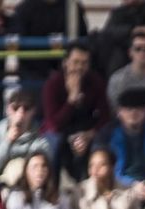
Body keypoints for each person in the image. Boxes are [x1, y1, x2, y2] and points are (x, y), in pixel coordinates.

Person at [40, 42, 108, 181]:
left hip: (85, 129)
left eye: (84, 63)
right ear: (66, 63)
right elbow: (53, 124)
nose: (79, 67)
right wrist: (71, 100)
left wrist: (89, 135)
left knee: (103, 142)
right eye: (75, 62)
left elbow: (105, 116)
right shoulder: (53, 84)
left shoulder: (95, 81)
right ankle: (51, 189)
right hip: (59, 130)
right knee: (52, 142)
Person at [72, 146, 141, 209]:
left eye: (102, 165)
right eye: (91, 165)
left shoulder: (129, 194)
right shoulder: (80, 191)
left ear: (113, 167)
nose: (95, 170)